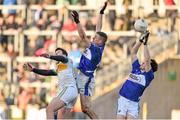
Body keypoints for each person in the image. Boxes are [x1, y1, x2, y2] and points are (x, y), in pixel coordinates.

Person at [71, 1, 108, 119]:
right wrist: (101, 12)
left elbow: (82, 36)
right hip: (83, 75)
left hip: (85, 78)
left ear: (100, 41)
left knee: (85, 108)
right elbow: (99, 28)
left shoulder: (95, 49)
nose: (93, 37)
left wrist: (77, 21)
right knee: (85, 108)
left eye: (95, 38)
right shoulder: (98, 45)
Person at [23, 47, 78, 119]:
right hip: (70, 91)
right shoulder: (60, 67)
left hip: (68, 89)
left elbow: (62, 58)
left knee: (49, 109)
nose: (57, 54)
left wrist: (50, 56)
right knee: (60, 117)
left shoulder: (67, 60)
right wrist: (33, 69)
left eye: (58, 52)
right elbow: (47, 72)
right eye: (56, 53)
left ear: (64, 54)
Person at [117, 31, 158, 119]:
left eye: (144, 63)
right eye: (142, 63)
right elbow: (133, 53)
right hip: (123, 99)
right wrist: (140, 40)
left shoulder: (149, 76)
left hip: (133, 104)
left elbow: (147, 60)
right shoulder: (136, 68)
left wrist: (145, 44)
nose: (142, 63)